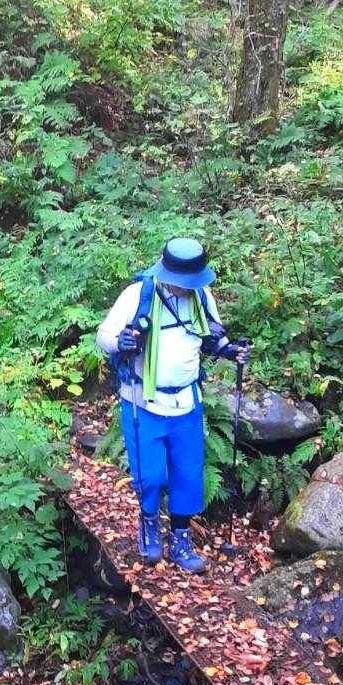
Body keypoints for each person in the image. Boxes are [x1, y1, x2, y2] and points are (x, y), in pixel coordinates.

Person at [95, 237, 250, 574]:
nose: (188, 287)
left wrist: (230, 351)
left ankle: (180, 539)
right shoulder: (138, 295)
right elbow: (103, 336)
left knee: (188, 474)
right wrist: (121, 340)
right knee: (149, 475)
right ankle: (149, 522)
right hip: (143, 402)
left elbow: (212, 336)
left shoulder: (201, 296)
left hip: (187, 403)